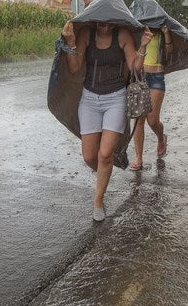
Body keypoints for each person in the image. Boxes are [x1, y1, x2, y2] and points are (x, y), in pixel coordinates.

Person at [61, 19, 153, 222]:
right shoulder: (86, 33)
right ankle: (107, 168)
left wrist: (143, 46)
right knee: (89, 157)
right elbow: (75, 67)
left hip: (116, 99)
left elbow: (135, 68)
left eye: (110, 23)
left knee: (104, 155)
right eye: (102, 23)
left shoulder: (122, 35)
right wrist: (70, 42)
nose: (106, 26)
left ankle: (98, 201)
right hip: (89, 99)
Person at [130, 24, 171, 170]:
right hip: (140, 77)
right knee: (138, 120)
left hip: (156, 77)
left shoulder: (161, 32)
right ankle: (139, 158)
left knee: (152, 120)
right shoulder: (137, 30)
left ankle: (161, 138)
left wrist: (166, 33)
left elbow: (169, 53)